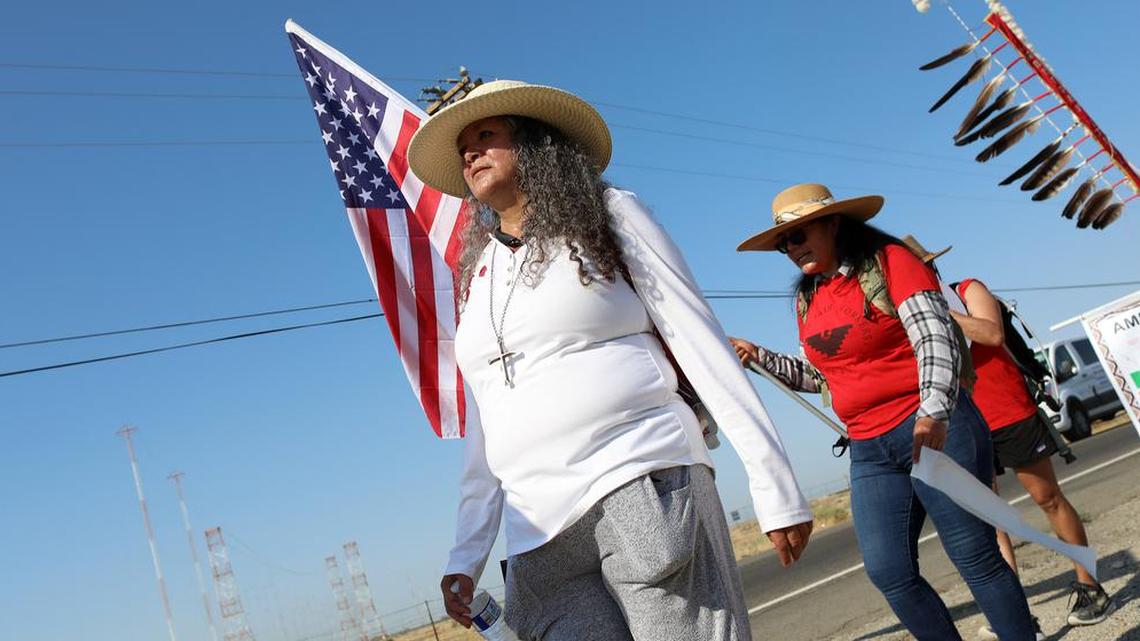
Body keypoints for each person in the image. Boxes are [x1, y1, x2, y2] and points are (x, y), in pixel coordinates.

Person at [406, 80, 814, 641]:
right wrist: (467, 551)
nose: (471, 153)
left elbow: (698, 338)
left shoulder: (607, 214)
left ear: (535, 144)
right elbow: (487, 418)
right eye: (463, 149)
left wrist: (774, 484)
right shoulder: (475, 277)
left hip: (639, 478)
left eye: (486, 135)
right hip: (540, 539)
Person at [729, 183, 1037, 641]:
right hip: (869, 448)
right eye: (782, 243)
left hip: (930, 428)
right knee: (888, 570)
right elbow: (822, 377)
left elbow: (935, 338)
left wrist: (932, 412)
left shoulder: (893, 262)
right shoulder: (807, 299)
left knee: (974, 554)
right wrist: (760, 358)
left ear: (834, 223)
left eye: (797, 235)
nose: (790, 249)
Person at [902, 236, 1115, 629]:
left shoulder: (967, 290)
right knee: (992, 517)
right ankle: (1015, 611)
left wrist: (937, 314)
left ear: (928, 267)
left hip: (1008, 412)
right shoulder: (901, 315)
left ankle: (1091, 585)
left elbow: (991, 335)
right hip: (963, 422)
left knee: (1047, 498)